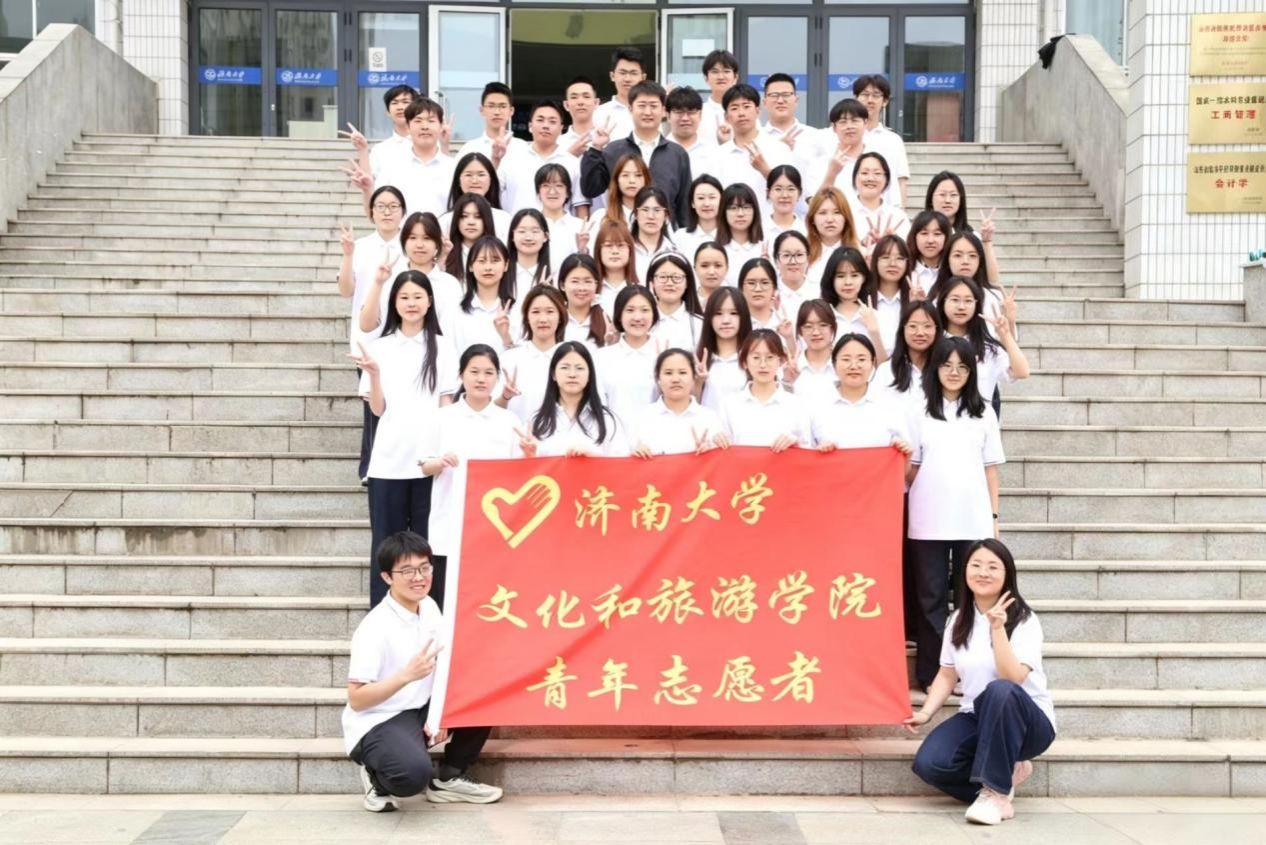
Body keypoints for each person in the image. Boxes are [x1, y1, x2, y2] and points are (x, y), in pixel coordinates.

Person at [344, 531, 502, 813]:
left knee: (487, 685)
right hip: (383, 717)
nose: (419, 577)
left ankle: (449, 776)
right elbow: (357, 699)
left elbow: (446, 661)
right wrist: (405, 676)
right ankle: (376, 777)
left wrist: (442, 712)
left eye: (424, 568)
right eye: (407, 571)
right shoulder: (374, 628)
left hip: (422, 706)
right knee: (411, 777)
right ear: (387, 577)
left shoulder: (428, 606)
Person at [907, 538, 1056, 826]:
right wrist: (926, 712)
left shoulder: (1024, 620)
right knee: (930, 764)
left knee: (1000, 690)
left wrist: (997, 629)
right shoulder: (957, 620)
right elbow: (947, 673)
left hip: (1027, 722)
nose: (983, 573)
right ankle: (1005, 775)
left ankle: (996, 794)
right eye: (975, 565)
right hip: (977, 716)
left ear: (1007, 574)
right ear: (964, 571)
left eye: (992, 567)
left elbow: (1012, 678)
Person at [350, 271, 457, 608]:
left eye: (418, 297)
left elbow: (447, 403)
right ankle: (384, 614)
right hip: (388, 461)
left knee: (429, 547)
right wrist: (374, 375)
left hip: (430, 463)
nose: (411, 303)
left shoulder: (443, 346)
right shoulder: (380, 348)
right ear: (394, 303)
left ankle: (430, 616)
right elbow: (378, 409)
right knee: (386, 545)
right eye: (404, 297)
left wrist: (444, 453)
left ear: (429, 302)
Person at [906, 336, 1005, 692]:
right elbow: (911, 468)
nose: (953, 372)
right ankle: (931, 673)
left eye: (962, 367)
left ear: (971, 372)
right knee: (930, 598)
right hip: (927, 517)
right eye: (946, 365)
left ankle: (969, 670)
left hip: (972, 518)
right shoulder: (919, 411)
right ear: (935, 368)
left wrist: (994, 519)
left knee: (970, 598)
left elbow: (991, 469)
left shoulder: (983, 413)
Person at [420, 344, 534, 605]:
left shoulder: (508, 421)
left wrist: (530, 453)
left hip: (495, 525)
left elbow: (520, 474)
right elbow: (425, 465)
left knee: (490, 599)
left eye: (488, 373)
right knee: (448, 599)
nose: (481, 379)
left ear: (497, 378)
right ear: (461, 375)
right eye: (474, 372)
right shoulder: (442, 418)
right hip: (449, 521)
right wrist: (441, 462)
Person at [338, 186, 405, 481]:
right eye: (381, 206)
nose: (387, 212)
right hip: (367, 340)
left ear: (403, 212)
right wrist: (347, 255)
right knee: (372, 406)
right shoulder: (361, 246)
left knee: (397, 403)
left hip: (402, 337)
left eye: (393, 206)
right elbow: (346, 290)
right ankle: (369, 468)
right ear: (371, 212)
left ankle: (395, 464)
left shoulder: (411, 245)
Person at [581, 81, 692, 227]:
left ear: (664, 110)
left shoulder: (677, 154)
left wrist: (684, 235)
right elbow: (590, 189)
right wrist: (595, 149)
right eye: (642, 106)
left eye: (653, 106)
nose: (647, 112)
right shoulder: (613, 150)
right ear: (630, 109)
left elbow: (684, 205)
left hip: (663, 234)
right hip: (621, 232)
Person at [809, 333, 915, 463]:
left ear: (873, 363)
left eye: (861, 359)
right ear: (834, 364)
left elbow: (903, 468)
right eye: (846, 359)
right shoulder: (816, 405)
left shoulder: (891, 405)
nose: (854, 366)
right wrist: (818, 454)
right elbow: (805, 460)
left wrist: (906, 455)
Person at [358, 212, 461, 339]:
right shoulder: (389, 279)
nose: (419, 245)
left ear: (437, 243)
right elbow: (366, 326)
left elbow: (454, 332)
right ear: (403, 242)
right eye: (412, 238)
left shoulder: (450, 284)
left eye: (427, 238)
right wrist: (378, 283)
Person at [935, 275, 1030, 412]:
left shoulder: (988, 348)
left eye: (968, 301)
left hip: (978, 420)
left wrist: (1006, 336)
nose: (961, 306)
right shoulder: (931, 343)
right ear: (943, 302)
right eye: (955, 300)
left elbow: (1022, 372)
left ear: (977, 305)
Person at [349, 98, 454, 220]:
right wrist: (367, 190)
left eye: (431, 121)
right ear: (408, 127)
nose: (425, 126)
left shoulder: (454, 167)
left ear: (441, 126)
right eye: (418, 121)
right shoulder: (392, 166)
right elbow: (375, 214)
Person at [531, 341, 628, 457]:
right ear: (553, 374)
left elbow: (621, 464)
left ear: (589, 375)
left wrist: (593, 458)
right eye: (565, 367)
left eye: (579, 368)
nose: (572, 374)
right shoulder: (537, 421)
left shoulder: (607, 420)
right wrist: (529, 455)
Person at [720, 329, 809, 450]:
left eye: (770, 357)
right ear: (745, 362)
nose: (763, 364)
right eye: (756, 357)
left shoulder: (796, 404)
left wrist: (796, 444)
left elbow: (808, 449)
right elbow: (722, 450)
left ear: (781, 361)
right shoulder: (729, 404)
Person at [630, 348, 728, 456]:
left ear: (694, 378)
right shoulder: (643, 417)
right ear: (658, 379)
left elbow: (722, 459)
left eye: (682, 372)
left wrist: (712, 449)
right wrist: (637, 453)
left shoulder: (709, 417)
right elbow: (626, 457)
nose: (675, 379)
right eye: (668, 373)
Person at [713, 84, 793, 215]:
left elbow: (791, 192)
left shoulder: (779, 149)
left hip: (769, 223)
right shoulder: (717, 155)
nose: (741, 113)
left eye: (746, 106)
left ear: (757, 111)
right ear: (726, 117)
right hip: (730, 224)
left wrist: (765, 170)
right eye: (734, 108)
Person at [498, 99, 583, 216]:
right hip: (518, 227)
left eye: (552, 121)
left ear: (561, 128)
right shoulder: (511, 159)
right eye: (540, 120)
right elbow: (492, 193)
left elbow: (580, 205)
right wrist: (495, 159)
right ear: (530, 126)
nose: (545, 126)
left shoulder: (572, 162)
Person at [498, 284, 566, 423]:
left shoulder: (571, 358)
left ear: (560, 316)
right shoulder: (509, 358)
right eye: (535, 312)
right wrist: (505, 396)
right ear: (527, 317)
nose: (543, 319)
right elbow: (492, 410)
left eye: (550, 311)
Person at [596, 285, 661, 425]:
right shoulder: (602, 357)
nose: (637, 317)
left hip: (655, 436)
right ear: (619, 315)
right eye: (630, 310)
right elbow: (598, 407)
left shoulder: (665, 355)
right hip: (613, 435)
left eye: (645, 310)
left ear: (654, 314)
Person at [445, 236, 520, 355]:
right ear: (470, 266)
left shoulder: (518, 310)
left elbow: (523, 357)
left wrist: (506, 337)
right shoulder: (454, 309)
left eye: (495, 261)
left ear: (506, 265)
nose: (488, 267)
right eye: (481, 261)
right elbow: (447, 353)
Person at [926, 171, 1003, 286]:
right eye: (942, 195)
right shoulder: (919, 235)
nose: (947, 200)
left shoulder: (972, 237)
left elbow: (993, 281)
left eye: (953, 195)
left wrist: (987, 242)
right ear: (930, 199)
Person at [932, 231, 1015, 336]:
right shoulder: (934, 298)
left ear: (980, 260)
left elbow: (1009, 343)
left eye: (972, 255)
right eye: (958, 255)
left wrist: (1010, 320)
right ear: (947, 260)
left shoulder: (994, 297)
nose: (965, 261)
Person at [820, 246, 887, 361]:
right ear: (831, 279)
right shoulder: (822, 318)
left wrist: (874, 332)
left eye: (854, 275)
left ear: (864, 278)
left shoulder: (877, 317)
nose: (848, 282)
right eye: (840, 276)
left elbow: (885, 367)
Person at [853, 74, 910, 207]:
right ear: (856, 98)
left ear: (885, 101)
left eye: (876, 95)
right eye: (865, 94)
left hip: (887, 212)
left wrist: (901, 212)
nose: (870, 100)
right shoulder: (848, 136)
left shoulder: (894, 140)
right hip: (853, 210)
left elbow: (901, 180)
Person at [344, 84, 417, 184]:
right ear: (387, 111)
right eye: (394, 103)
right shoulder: (380, 150)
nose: (400, 107)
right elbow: (368, 182)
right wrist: (362, 149)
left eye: (405, 102)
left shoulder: (429, 145)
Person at [695, 286, 752, 412]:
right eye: (718, 313)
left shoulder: (754, 358)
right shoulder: (698, 360)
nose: (726, 321)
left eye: (734, 313)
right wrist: (699, 382)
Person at [439, 152, 511, 243]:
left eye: (481, 175)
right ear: (458, 180)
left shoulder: (504, 220)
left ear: (491, 179)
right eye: (468, 175)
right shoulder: (445, 221)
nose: (474, 181)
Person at [457, 81, 527, 167]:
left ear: (511, 111)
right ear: (481, 110)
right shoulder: (469, 148)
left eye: (502, 106)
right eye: (491, 106)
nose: (496, 112)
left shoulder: (523, 148)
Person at [850, 152, 910, 251]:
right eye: (864, 173)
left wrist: (893, 243)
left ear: (886, 179)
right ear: (855, 177)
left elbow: (907, 252)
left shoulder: (898, 217)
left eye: (877, 173)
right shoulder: (844, 213)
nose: (870, 178)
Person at [648, 251, 704, 353]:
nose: (669, 283)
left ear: (687, 283)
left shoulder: (700, 325)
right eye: (663, 277)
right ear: (652, 282)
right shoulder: (642, 322)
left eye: (677, 277)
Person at [537, 162, 586, 277]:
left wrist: (583, 250)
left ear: (568, 192)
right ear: (538, 192)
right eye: (546, 186)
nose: (552, 191)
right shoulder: (531, 225)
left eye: (559, 186)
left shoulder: (581, 227)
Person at [868, 233, 915, 354]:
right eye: (885, 257)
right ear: (875, 261)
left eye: (899, 258)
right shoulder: (864, 301)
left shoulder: (914, 300)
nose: (893, 264)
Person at [759, 74, 815, 174]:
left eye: (786, 95)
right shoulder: (756, 139)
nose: (780, 100)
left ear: (796, 100)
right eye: (774, 95)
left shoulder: (813, 136)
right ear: (764, 102)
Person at [585, 153, 649, 238]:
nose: (632, 180)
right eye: (625, 175)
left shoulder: (655, 216)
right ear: (617, 180)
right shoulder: (601, 217)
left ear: (646, 180)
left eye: (638, 175)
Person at [805, 187, 860, 285]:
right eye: (822, 213)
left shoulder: (860, 252)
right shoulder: (803, 254)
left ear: (846, 217)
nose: (830, 219)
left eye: (837, 212)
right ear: (812, 219)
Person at [557, 253, 613, 348]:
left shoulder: (607, 320)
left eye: (587, 281)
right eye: (575, 281)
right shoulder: (554, 320)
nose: (581, 288)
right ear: (562, 285)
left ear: (596, 284)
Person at [716, 183, 765, 285]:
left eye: (746, 207)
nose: (740, 214)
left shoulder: (765, 247)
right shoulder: (715, 249)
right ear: (723, 212)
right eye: (733, 208)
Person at [790, 300, 838, 403]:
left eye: (823, 325)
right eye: (808, 326)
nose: (816, 332)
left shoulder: (843, 365)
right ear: (800, 331)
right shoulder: (791, 368)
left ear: (832, 328)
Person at [593, 46, 646, 141]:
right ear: (612, 76)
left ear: (643, 77)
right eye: (622, 73)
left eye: (633, 73)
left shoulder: (653, 112)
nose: (627, 79)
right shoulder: (599, 113)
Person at [666, 86, 718, 180]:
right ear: (668, 116)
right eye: (679, 112)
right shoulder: (658, 150)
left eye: (691, 112)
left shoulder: (713, 151)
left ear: (700, 115)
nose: (685, 118)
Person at [442, 193, 498, 279]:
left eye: (478, 217)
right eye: (464, 216)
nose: (471, 222)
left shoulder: (498, 253)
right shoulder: (446, 253)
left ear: (486, 220)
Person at [592, 220, 639, 316]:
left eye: (621, 245)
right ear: (598, 250)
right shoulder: (590, 289)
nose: (615, 251)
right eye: (608, 245)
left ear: (630, 250)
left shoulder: (640, 288)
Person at [630, 185, 676, 281]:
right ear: (635, 214)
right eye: (645, 210)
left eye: (657, 210)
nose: (651, 216)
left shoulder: (674, 252)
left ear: (666, 216)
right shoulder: (625, 250)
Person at [674, 174, 723, 261]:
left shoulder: (732, 236)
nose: (707, 203)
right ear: (692, 203)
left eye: (712, 197)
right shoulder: (680, 237)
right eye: (701, 198)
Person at [506, 208, 552, 299]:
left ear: (546, 237)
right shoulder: (501, 273)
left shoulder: (554, 274)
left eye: (535, 231)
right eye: (522, 231)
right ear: (512, 236)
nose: (528, 238)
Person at [907, 209, 950, 296]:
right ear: (914, 237)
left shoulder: (953, 273)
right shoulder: (905, 272)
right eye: (924, 233)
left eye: (937, 234)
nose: (930, 240)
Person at [764, 164, 806, 252]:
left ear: (799, 193)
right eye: (778, 189)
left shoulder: (807, 231)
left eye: (791, 189)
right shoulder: (758, 231)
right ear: (768, 193)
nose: (784, 195)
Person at [700, 49, 739, 143]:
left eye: (726, 71)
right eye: (715, 72)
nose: (721, 77)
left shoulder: (745, 112)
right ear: (706, 78)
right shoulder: (698, 112)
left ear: (735, 78)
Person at [773, 230, 814, 318]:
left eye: (799, 255)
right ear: (776, 260)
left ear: (808, 259)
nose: (793, 262)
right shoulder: (770, 292)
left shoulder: (820, 291)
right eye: (786, 255)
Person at [561, 76, 599, 154]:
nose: (580, 102)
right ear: (566, 105)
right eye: (574, 97)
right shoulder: (556, 143)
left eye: (586, 97)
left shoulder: (609, 140)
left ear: (596, 103)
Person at [693, 241, 729, 306]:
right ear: (695, 268)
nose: (711, 272)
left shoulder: (736, 301)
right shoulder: (686, 301)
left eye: (718, 265)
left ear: (727, 269)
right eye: (704, 266)